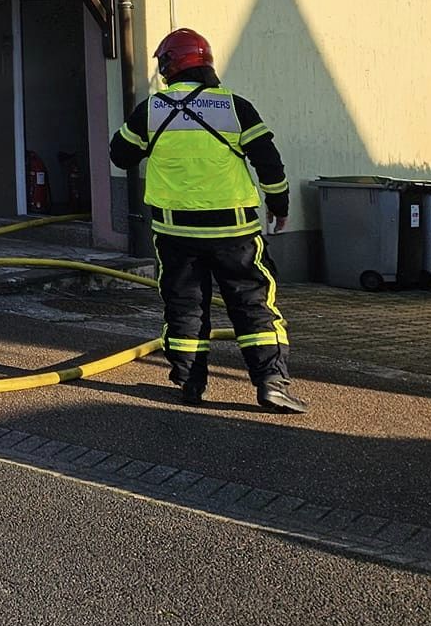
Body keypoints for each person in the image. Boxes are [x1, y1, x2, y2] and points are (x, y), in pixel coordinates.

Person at [109, 28, 305, 414]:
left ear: (168, 66)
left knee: (184, 304)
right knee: (252, 304)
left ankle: (190, 382)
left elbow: (120, 155)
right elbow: (269, 161)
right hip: (235, 232)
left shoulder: (152, 109)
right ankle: (271, 384)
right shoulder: (235, 107)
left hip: (175, 231)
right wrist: (279, 205)